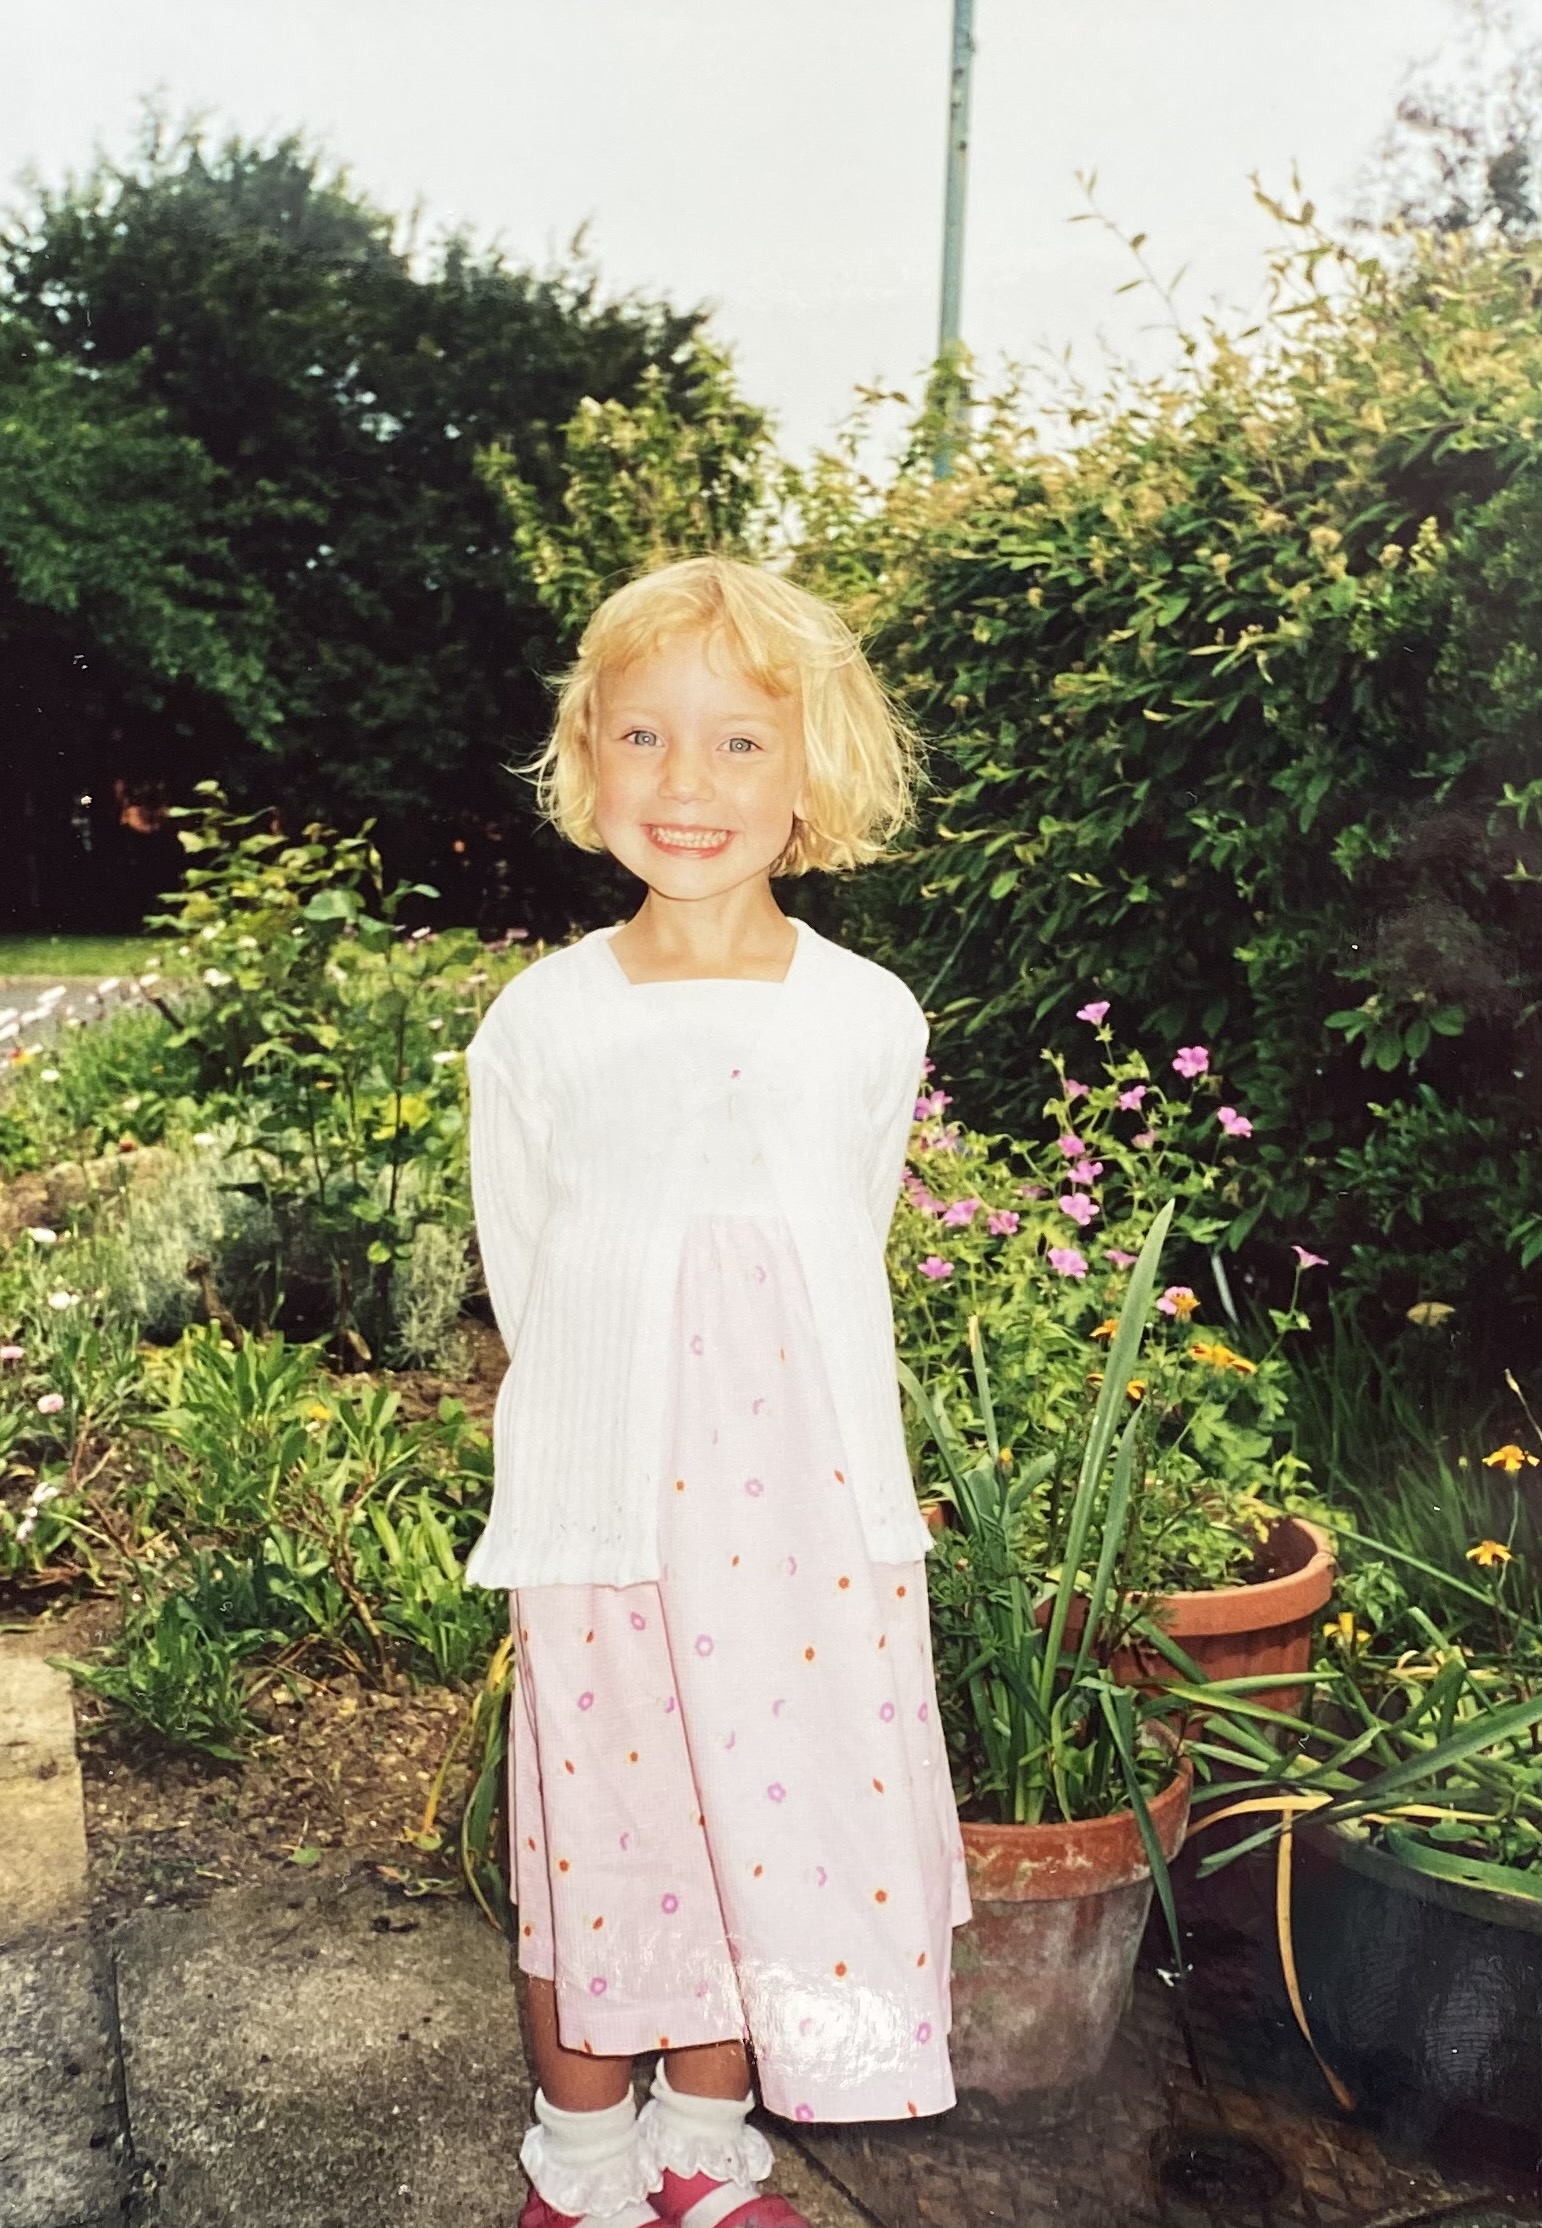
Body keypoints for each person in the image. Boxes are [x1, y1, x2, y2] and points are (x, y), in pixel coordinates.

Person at [463, 556, 970, 2228]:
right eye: (646, 738)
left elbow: (843, 1252)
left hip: (811, 1527)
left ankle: (705, 2136)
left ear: (811, 770)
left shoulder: (864, 1017)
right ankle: (586, 2155)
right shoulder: (542, 1025)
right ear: (585, 759)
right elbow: (529, 1268)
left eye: (741, 743)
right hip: (607, 1518)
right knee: (607, 1828)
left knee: (786, 1815)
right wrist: (570, 1491)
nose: (689, 786)